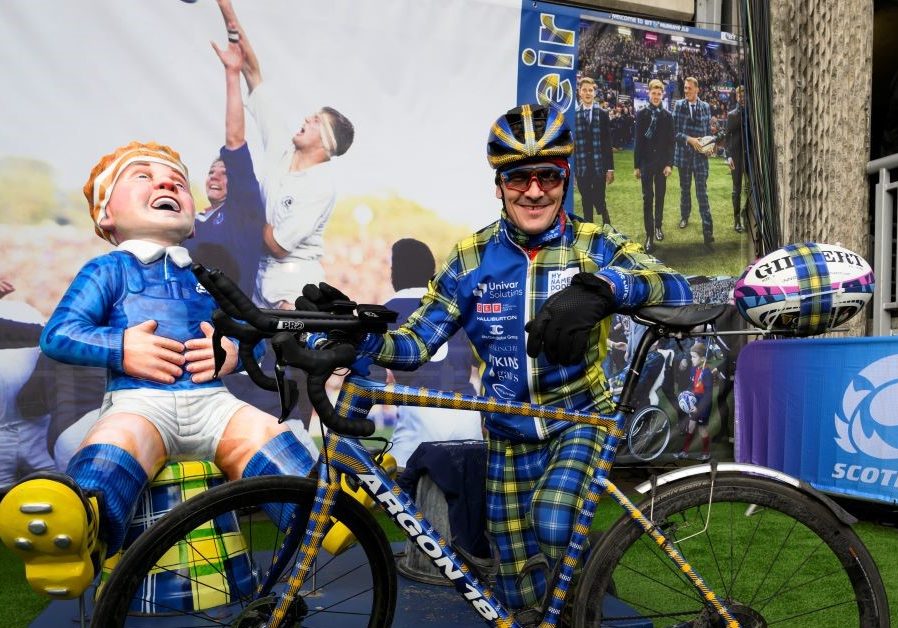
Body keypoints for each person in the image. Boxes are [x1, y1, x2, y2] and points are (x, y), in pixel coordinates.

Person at [303, 104, 691, 620]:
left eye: (547, 176)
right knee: (516, 593)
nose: (534, 191)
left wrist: (605, 286)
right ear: (500, 185)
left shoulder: (594, 245)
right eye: (518, 177)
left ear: (564, 178)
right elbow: (416, 342)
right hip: (505, 436)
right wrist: (358, 340)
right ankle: (575, 600)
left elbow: (677, 287)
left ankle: (587, 600)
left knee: (554, 520)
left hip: (577, 420)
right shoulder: (470, 257)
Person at [0, 140, 318, 600]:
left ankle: (318, 519)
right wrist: (121, 346)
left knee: (262, 430)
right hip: (141, 403)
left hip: (214, 404)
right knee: (120, 440)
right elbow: (60, 333)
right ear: (105, 215)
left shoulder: (204, 275)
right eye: (143, 176)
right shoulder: (108, 270)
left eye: (175, 180)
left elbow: (243, 328)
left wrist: (229, 351)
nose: (168, 182)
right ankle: (80, 531)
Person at [215, 0, 355, 309]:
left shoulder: (319, 186)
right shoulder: (282, 146)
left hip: (293, 290)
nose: (306, 119)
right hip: (256, 278)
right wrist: (225, 6)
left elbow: (277, 245)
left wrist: (243, 207)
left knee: (285, 354)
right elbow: (252, 72)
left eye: (316, 120)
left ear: (327, 142)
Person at [370, 238, 483, 468]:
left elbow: (374, 379)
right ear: (432, 273)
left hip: (419, 414)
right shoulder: (457, 308)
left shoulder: (384, 313)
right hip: (468, 413)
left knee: (390, 492)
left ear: (395, 273)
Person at [184, 13, 265, 298]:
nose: (215, 176)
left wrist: (232, 75)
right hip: (185, 322)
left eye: (224, 172)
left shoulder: (243, 211)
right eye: (210, 171)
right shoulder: (188, 221)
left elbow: (234, 139)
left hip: (231, 325)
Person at [672, 76, 715, 250]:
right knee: (685, 190)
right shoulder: (679, 105)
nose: (686, 90)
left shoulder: (705, 107)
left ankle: (708, 232)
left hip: (701, 159)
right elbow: (674, 131)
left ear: (697, 89)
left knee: (702, 194)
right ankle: (685, 216)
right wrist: (689, 139)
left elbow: (708, 133)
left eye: (689, 88)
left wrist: (710, 146)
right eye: (685, 88)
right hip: (683, 156)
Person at [633, 79, 674, 253]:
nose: (656, 96)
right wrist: (637, 166)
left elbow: (671, 143)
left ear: (662, 95)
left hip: (662, 165)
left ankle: (658, 226)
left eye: (659, 93)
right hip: (646, 165)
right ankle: (649, 235)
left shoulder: (668, 116)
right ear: (648, 93)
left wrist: (669, 164)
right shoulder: (641, 114)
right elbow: (638, 142)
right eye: (653, 93)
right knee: (647, 199)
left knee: (660, 198)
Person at [573, 77, 614, 225]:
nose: (588, 93)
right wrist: (573, 171)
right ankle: (589, 228)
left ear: (595, 92)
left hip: (599, 165)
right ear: (579, 92)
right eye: (584, 90)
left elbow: (607, 142)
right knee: (585, 199)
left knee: (599, 197)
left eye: (590, 90)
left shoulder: (602, 113)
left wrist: (610, 168)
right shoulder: (574, 114)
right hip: (582, 166)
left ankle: (606, 222)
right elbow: (573, 145)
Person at [676, 341, 714, 461]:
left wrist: (699, 408)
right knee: (691, 426)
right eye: (691, 356)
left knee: (702, 429)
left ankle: (706, 453)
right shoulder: (693, 369)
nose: (691, 359)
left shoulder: (707, 373)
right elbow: (692, 386)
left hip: (704, 405)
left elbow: (708, 395)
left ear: (702, 358)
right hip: (695, 402)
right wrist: (686, 394)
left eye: (694, 357)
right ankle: (684, 452)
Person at [725, 86, 747, 233]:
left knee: (751, 189)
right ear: (737, 97)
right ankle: (737, 220)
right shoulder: (732, 115)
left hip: (750, 157)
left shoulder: (752, 114)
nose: (741, 97)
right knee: (737, 189)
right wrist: (729, 156)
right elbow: (727, 137)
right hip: (737, 156)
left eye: (744, 95)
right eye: (739, 95)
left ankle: (746, 215)